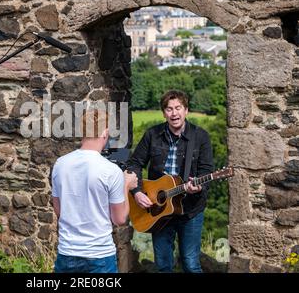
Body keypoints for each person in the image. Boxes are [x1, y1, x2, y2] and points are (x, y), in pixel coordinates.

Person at [128, 90, 214, 273]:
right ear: (163, 113)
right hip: (158, 210)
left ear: (186, 110)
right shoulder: (152, 135)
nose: (174, 113)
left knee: (191, 264)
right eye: (169, 109)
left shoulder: (200, 137)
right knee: (163, 265)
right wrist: (137, 193)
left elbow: (207, 172)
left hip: (190, 209)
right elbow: (134, 164)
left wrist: (198, 187)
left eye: (178, 108)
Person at [51, 109, 138, 273]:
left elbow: (59, 210)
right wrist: (126, 185)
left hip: (67, 252)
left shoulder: (60, 164)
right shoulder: (111, 170)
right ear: (105, 133)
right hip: (99, 255)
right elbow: (119, 219)